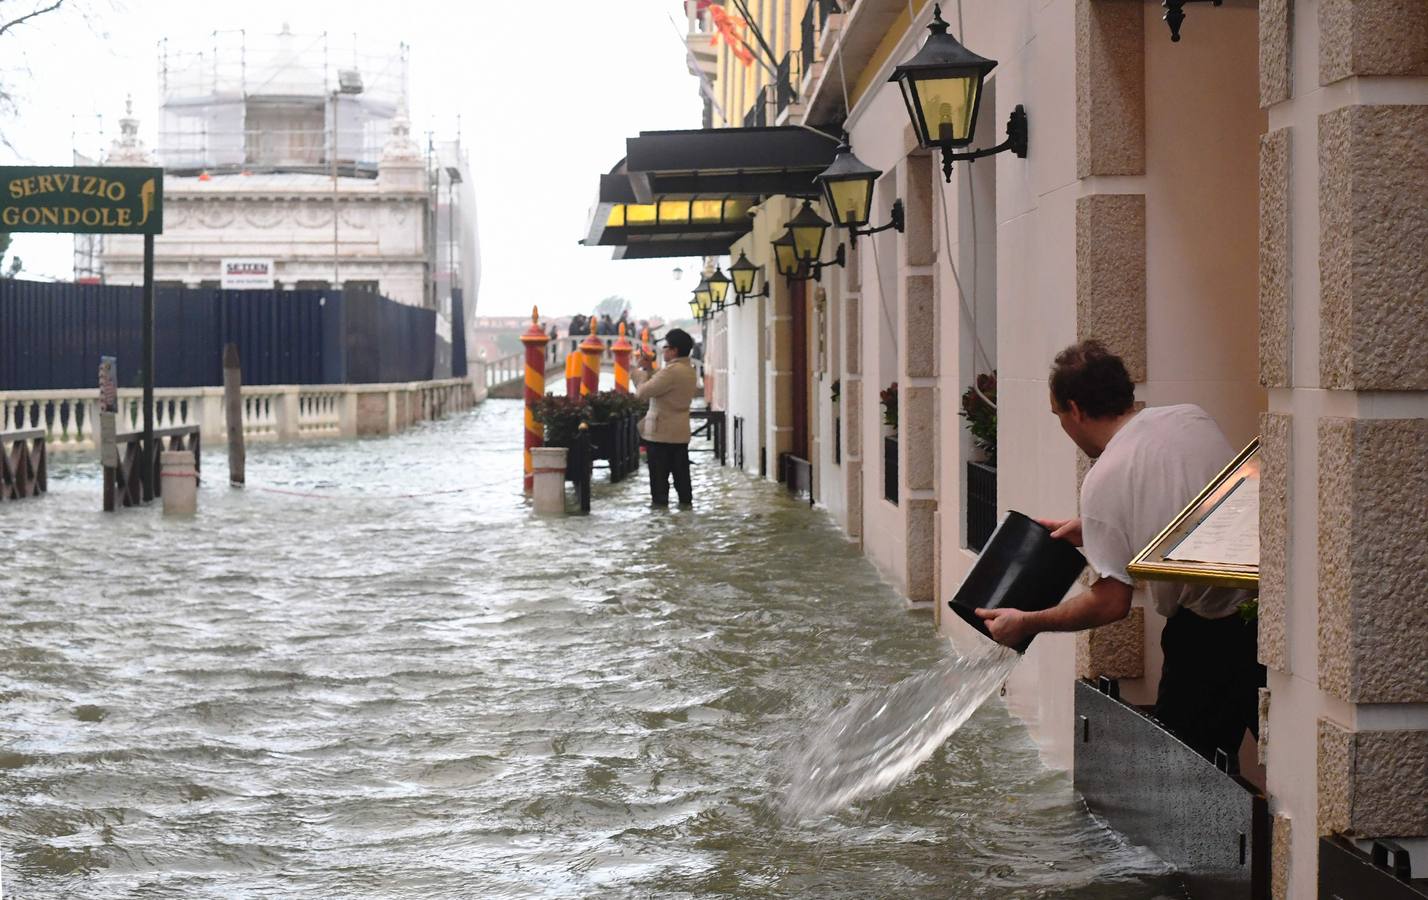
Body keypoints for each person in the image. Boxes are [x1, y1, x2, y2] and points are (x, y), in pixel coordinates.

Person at [976, 340, 1263, 762]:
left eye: (1058, 415)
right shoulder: (1190, 417)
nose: (1063, 426)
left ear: (1075, 409)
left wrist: (1027, 623)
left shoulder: (1105, 479)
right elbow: (1189, 511)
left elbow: (1111, 604)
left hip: (1208, 636)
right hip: (1269, 615)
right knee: (1291, 767)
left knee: (1185, 777)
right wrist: (1092, 531)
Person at [632, 327, 698, 507]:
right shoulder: (689, 370)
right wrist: (650, 370)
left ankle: (661, 524)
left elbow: (642, 393)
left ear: (674, 350)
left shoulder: (671, 371)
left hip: (661, 435)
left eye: (665, 347)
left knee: (659, 487)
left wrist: (641, 372)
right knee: (682, 482)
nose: (663, 350)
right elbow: (662, 384)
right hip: (680, 433)